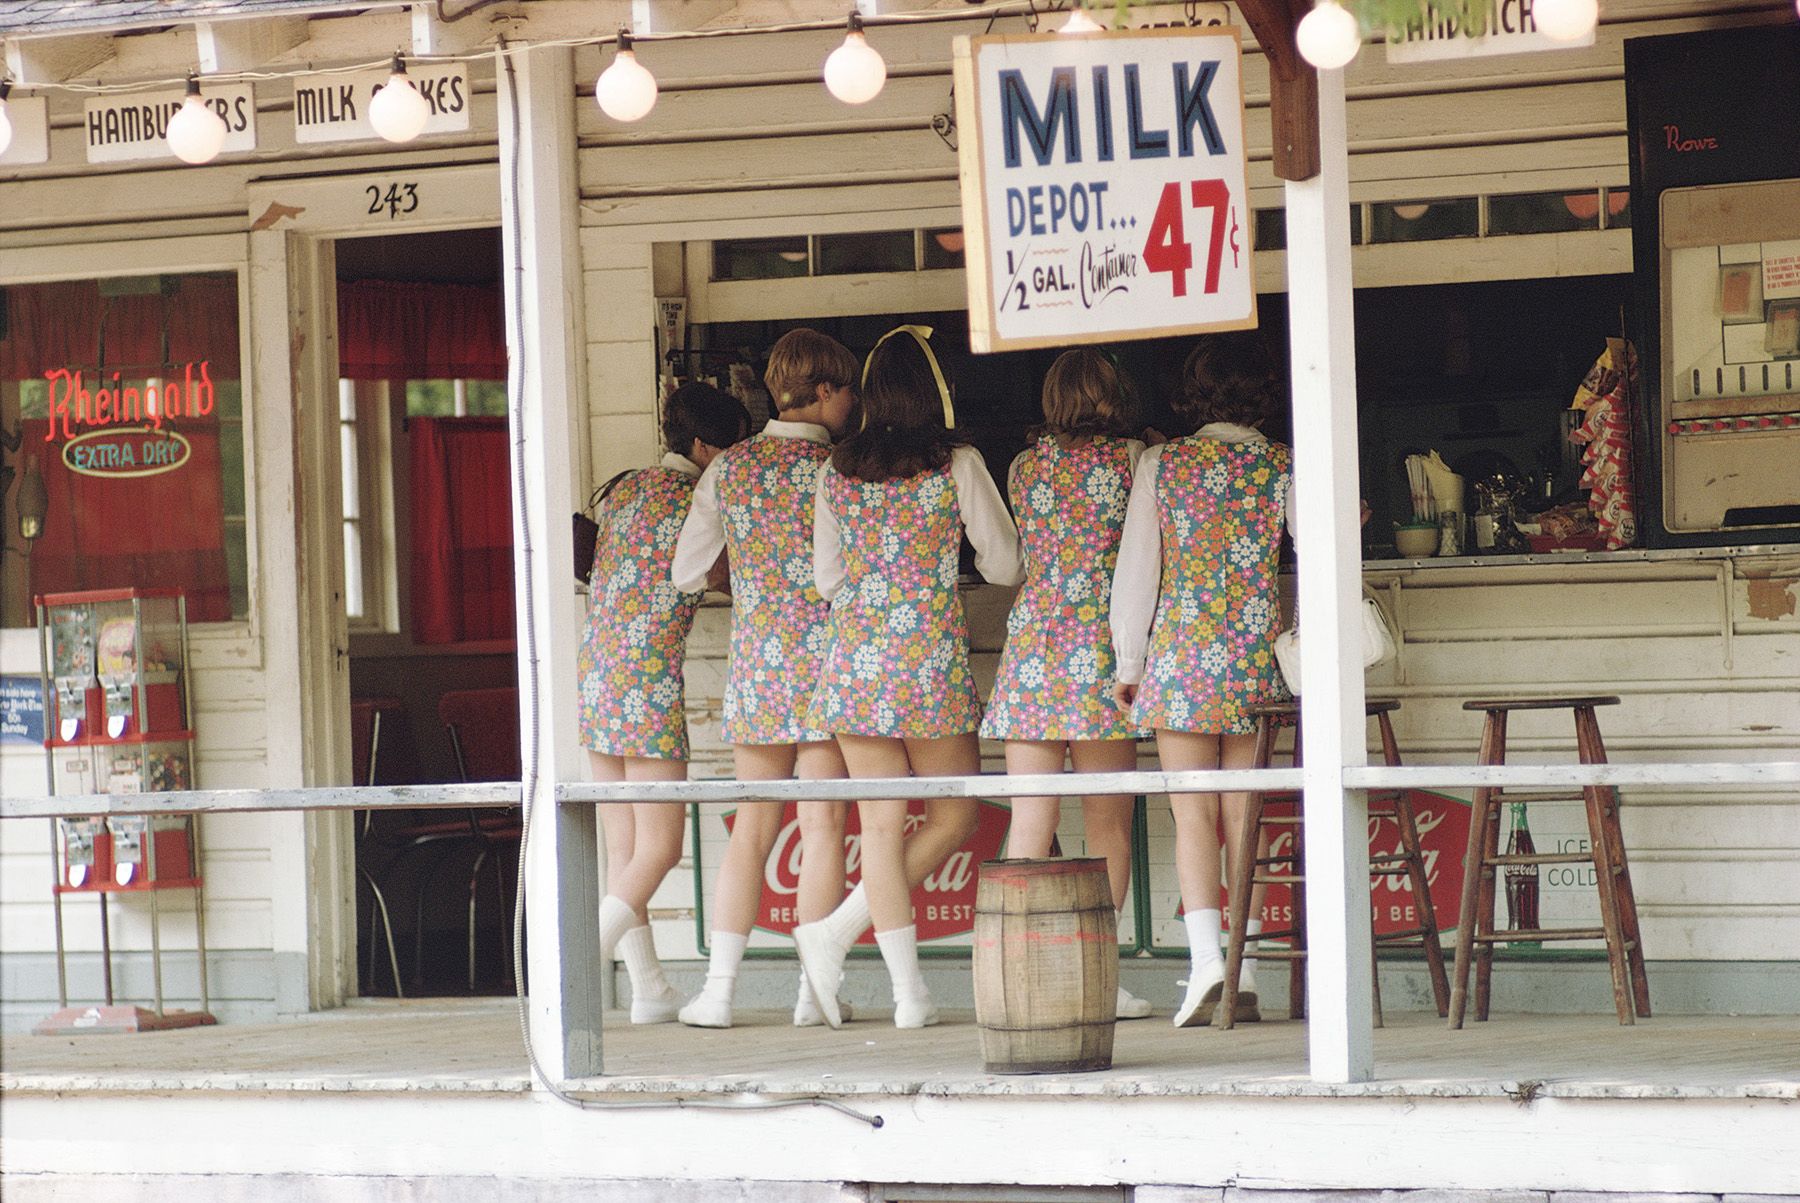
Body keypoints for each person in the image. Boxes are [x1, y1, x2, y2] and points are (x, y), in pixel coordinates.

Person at [797, 325, 1022, 1029]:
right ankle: (839, 937)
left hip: (857, 663)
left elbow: (827, 579)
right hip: (928, 660)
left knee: (882, 826)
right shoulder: (956, 461)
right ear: (935, 391)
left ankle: (904, 992)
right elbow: (1004, 565)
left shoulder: (837, 468)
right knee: (955, 812)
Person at [671, 329, 863, 1029]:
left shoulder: (731, 468)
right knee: (821, 828)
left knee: (750, 830)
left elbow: (686, 572)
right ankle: (814, 994)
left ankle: (718, 992)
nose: (852, 403)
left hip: (757, 668)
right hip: (826, 671)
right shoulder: (839, 468)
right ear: (822, 390)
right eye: (846, 389)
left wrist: (746, 574)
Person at [1110, 331, 1293, 1029]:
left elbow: (1138, 573)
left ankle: (1209, 960)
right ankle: (1241, 965)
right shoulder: (1281, 463)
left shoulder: (1164, 462)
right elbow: (1319, 548)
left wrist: (1129, 663)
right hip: (1253, 658)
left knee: (1192, 814)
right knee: (1243, 815)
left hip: (1181, 656)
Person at [982, 348, 1154, 1020]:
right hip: (1103, 645)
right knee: (1108, 819)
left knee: (1031, 818)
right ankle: (1095, 971)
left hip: (1033, 646)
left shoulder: (1026, 465)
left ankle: (1012, 969)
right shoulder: (1134, 461)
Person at [581, 381, 750, 1024]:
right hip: (648, 679)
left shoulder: (625, 488)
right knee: (659, 847)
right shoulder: (696, 501)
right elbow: (724, 575)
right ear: (704, 446)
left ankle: (649, 989)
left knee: (623, 849)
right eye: (728, 447)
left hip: (598, 674)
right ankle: (573, 963)